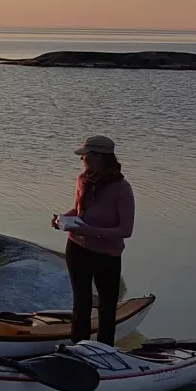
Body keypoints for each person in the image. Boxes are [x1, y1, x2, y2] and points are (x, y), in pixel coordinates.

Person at [51, 134, 135, 346]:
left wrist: (92, 231)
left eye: (85, 156)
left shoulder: (122, 188)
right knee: (81, 305)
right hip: (77, 248)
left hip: (107, 255)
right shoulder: (82, 179)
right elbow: (79, 210)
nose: (82, 160)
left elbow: (126, 230)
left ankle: (105, 350)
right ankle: (78, 349)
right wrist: (63, 219)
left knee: (107, 307)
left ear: (100, 157)